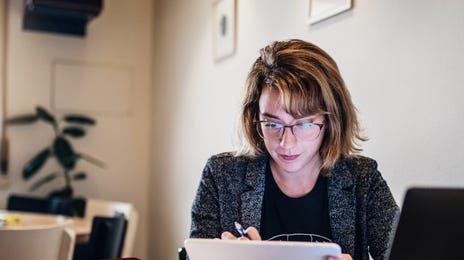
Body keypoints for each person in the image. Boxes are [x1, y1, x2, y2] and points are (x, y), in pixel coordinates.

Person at [189, 39, 399, 260]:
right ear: (255, 118)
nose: (286, 143)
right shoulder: (221, 176)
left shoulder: (363, 179)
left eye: (304, 124)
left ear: (331, 121)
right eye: (272, 124)